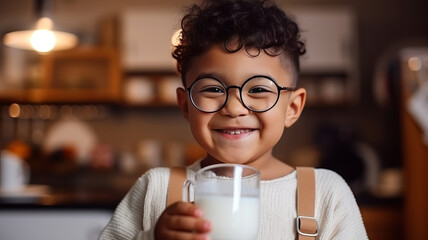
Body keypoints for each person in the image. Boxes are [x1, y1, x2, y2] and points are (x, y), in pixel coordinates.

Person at [99, 0, 368, 239]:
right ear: (185, 105)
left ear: (292, 108)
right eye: (213, 89)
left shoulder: (325, 194)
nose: (234, 107)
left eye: (259, 90)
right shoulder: (156, 188)